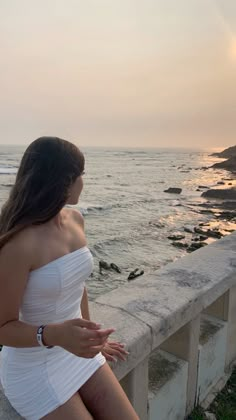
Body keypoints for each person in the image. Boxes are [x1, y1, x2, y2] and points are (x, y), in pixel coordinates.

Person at [0, 137, 139, 420]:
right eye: (81, 175)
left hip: (75, 353)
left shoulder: (76, 220)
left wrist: (91, 337)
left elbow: (78, 284)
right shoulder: (19, 245)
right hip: (33, 368)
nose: (83, 182)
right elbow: (2, 326)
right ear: (64, 181)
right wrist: (55, 335)